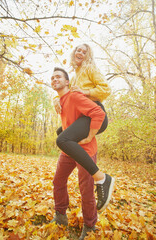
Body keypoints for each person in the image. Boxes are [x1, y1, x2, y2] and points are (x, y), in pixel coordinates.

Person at [50, 67, 115, 240]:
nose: (54, 79)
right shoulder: (61, 102)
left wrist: (90, 136)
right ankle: (60, 215)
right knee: (58, 180)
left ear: (67, 82)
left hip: (85, 150)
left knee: (86, 188)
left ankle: (90, 225)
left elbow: (98, 113)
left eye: (58, 77)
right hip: (69, 149)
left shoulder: (75, 96)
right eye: (52, 78)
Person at [53, 44, 112, 211]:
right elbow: (68, 94)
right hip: (83, 116)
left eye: (84, 52)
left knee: (63, 138)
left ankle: (101, 178)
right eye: (78, 50)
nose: (80, 53)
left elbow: (106, 89)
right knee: (61, 132)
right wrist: (56, 100)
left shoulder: (89, 69)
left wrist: (85, 91)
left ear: (88, 56)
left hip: (95, 113)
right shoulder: (75, 75)